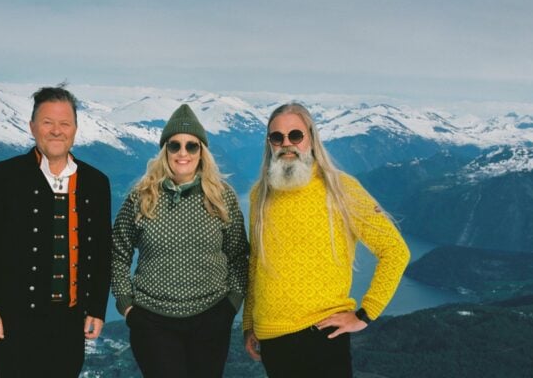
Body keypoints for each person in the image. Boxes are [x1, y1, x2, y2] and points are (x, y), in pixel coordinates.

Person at [242, 102, 410, 378]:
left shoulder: (341, 188)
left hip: (323, 336)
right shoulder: (260, 194)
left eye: (295, 135)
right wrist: (250, 324)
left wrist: (365, 314)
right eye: (277, 137)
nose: (287, 144)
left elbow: (395, 250)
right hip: (271, 339)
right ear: (269, 143)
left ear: (310, 137)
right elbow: (256, 264)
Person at [0, 86, 112, 378]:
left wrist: (97, 308)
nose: (56, 131)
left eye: (64, 123)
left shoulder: (96, 182)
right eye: (47, 122)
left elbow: (101, 250)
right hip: (14, 321)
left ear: (75, 129)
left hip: (71, 322)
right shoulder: (0, 177)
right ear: (32, 127)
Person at [111, 104, 250, 378]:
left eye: (191, 146)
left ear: (202, 152)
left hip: (211, 317)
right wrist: (127, 306)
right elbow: (117, 253)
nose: (183, 153)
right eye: (174, 146)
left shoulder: (222, 197)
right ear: (165, 151)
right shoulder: (141, 197)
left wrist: (231, 303)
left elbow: (238, 256)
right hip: (152, 321)